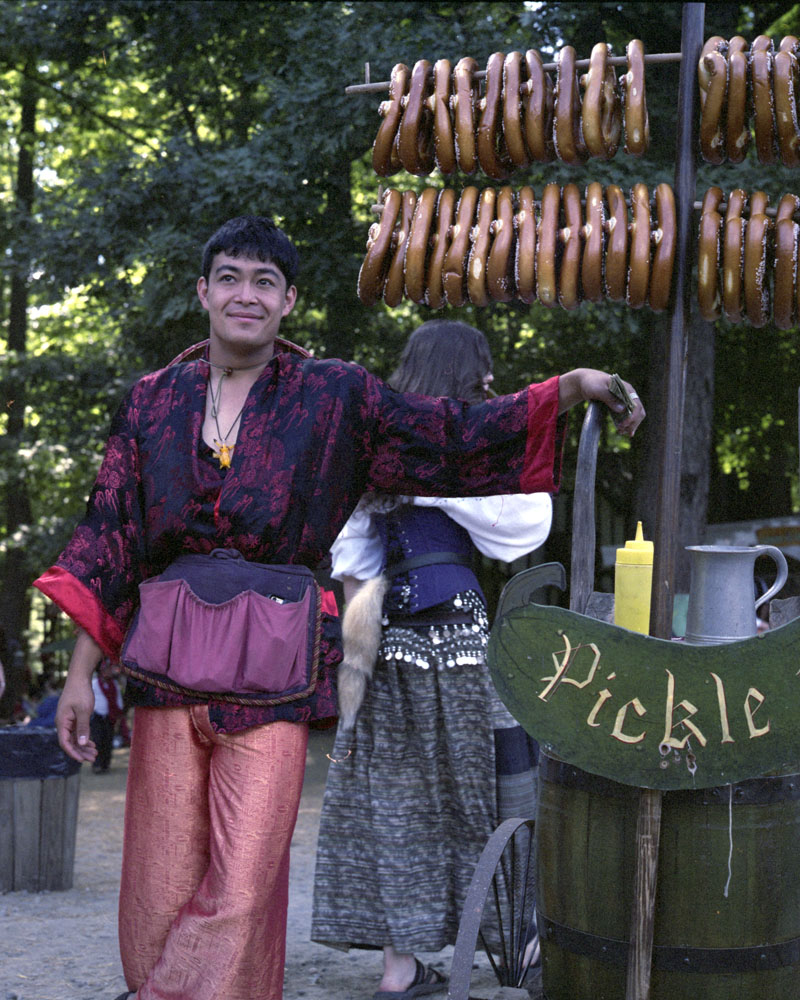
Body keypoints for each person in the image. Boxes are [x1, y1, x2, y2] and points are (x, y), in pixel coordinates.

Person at [33, 214, 644, 1000]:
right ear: (203, 291)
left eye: (263, 283)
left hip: (272, 678)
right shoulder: (151, 402)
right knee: (155, 888)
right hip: (164, 672)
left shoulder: (335, 396)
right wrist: (83, 675)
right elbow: (107, 538)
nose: (244, 295)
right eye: (229, 278)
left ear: (289, 302)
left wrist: (567, 389)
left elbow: (452, 431)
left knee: (245, 881)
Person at [311, 321, 553, 996]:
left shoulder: (375, 455)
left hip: (392, 644)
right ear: (464, 374)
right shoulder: (470, 453)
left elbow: (353, 569)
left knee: (399, 802)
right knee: (494, 789)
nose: (490, 383)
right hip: (464, 642)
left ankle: (400, 969)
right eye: (483, 372)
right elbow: (525, 528)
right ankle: (523, 946)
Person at [90, 659, 124, 772]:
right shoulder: (94, 683)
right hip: (97, 716)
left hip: (110, 716)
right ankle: (97, 764)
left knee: (107, 740)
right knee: (97, 740)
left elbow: (118, 698)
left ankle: (105, 764)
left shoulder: (113, 684)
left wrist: (119, 711)